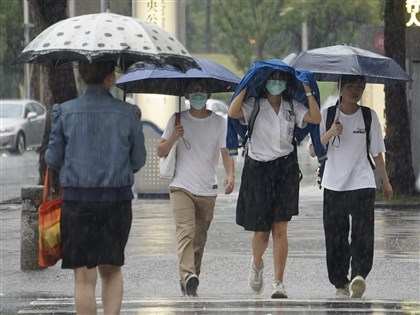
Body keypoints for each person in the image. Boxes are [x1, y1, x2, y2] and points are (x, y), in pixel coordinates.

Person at [45, 60, 147, 315]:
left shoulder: (64, 112)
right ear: (111, 77)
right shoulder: (128, 113)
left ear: (82, 77)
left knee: (83, 276)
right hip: (116, 203)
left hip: (77, 204)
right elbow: (138, 160)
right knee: (111, 270)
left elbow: (53, 160)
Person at [229, 70, 321, 299]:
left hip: (285, 169)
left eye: (281, 79)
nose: (277, 83)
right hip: (258, 169)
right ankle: (257, 262)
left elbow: (316, 118)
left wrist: (308, 90)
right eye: (273, 79)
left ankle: (278, 282)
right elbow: (233, 112)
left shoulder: (292, 106)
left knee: (280, 227)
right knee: (261, 231)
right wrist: (246, 84)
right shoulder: (255, 104)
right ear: (265, 82)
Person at [157, 80, 235, 297]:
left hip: (207, 188)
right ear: (186, 95)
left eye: (201, 91)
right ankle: (187, 274)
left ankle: (191, 278)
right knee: (186, 232)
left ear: (208, 93)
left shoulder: (219, 122)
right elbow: (160, 151)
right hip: (181, 186)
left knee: (199, 240)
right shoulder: (177, 119)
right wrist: (174, 136)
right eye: (193, 91)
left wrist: (230, 174)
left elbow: (225, 150)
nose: (198, 95)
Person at [318, 75, 393, 299]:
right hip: (333, 184)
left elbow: (377, 152)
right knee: (335, 236)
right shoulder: (328, 114)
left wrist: (386, 182)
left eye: (360, 87)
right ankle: (340, 281)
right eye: (351, 86)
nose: (355, 91)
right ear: (340, 88)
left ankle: (359, 275)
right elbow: (314, 149)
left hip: (362, 182)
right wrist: (331, 132)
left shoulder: (369, 116)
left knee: (363, 233)